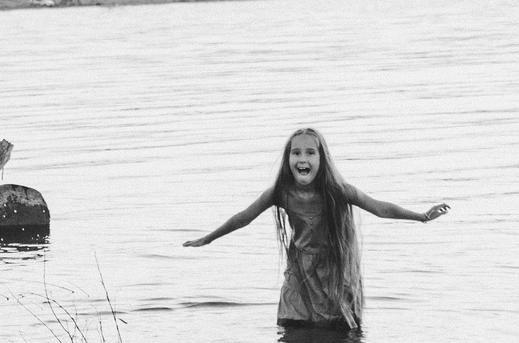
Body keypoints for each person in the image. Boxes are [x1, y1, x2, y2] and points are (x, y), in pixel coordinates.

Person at [184, 127, 448, 327]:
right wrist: (208, 239)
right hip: (299, 269)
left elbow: (380, 208)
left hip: (333, 269)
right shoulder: (280, 193)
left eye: (310, 152)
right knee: (290, 324)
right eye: (296, 152)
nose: (303, 158)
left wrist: (422, 216)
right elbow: (243, 217)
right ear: (288, 159)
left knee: (334, 329)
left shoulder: (338, 191)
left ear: (321, 159)